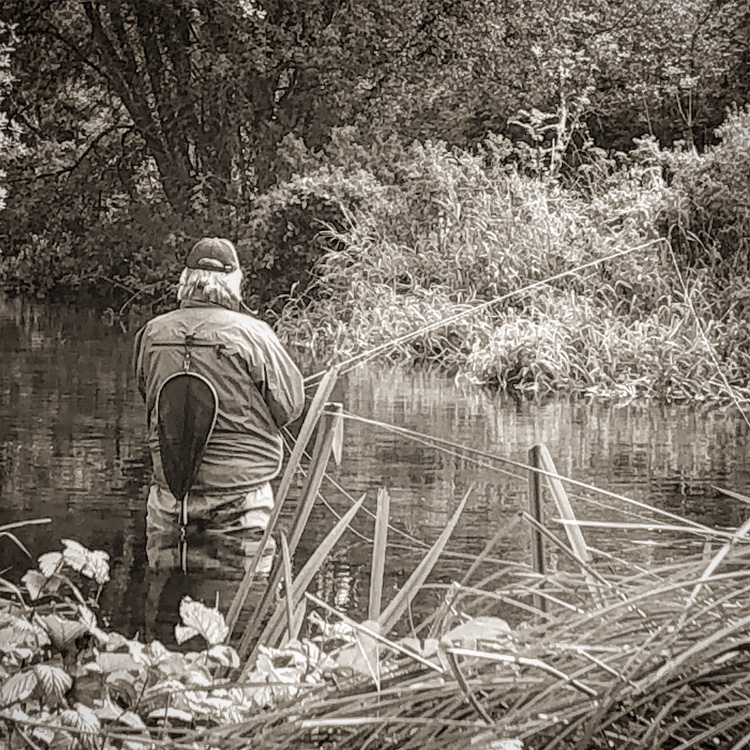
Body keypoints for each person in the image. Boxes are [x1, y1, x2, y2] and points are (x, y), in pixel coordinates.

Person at [133, 237, 305, 556]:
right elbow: (291, 407)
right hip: (241, 502)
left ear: (186, 280)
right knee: (242, 602)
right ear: (233, 283)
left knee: (168, 601)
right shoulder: (255, 335)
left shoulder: (152, 334)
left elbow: (151, 396)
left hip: (171, 499)